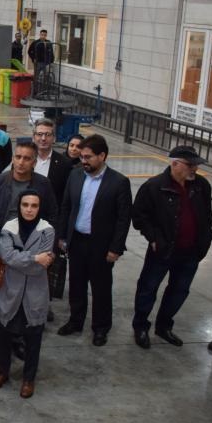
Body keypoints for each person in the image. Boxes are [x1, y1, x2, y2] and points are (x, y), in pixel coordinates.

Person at [130, 146, 212, 349]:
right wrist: (153, 238)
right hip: (162, 250)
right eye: (190, 165)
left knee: (179, 290)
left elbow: (207, 215)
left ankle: (164, 326)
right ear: (175, 163)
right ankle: (140, 326)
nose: (194, 169)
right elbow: (139, 217)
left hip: (191, 252)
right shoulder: (154, 187)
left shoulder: (201, 185)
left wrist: (206, 237)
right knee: (148, 288)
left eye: (195, 165)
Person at [0, 140, 57, 356]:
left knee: (23, 295)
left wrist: (47, 248)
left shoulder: (43, 185)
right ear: (13, 158)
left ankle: (18, 338)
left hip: (30, 249)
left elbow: (52, 215)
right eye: (18, 157)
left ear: (34, 162)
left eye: (27, 158)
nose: (21, 162)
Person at [56, 134, 132, 346]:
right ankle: (75, 321)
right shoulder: (75, 175)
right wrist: (63, 236)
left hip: (102, 245)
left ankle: (101, 328)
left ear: (102, 156)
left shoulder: (119, 182)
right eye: (81, 157)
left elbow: (123, 219)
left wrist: (116, 248)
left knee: (101, 288)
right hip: (77, 241)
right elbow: (66, 207)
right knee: (76, 284)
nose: (84, 161)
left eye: (88, 157)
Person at [0, 190, 55, 399]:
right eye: (25, 205)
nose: (29, 209)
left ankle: (29, 379)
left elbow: (38, 267)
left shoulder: (47, 230)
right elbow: (6, 256)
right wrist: (35, 258)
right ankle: (2, 372)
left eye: (34, 206)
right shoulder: (9, 228)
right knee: (5, 334)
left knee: (33, 338)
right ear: (19, 206)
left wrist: (22, 260)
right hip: (11, 292)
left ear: (39, 208)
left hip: (35, 294)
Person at [31, 118, 73, 203]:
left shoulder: (65, 164)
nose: (43, 138)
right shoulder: (24, 159)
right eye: (39, 134)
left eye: (48, 134)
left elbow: (66, 196)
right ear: (33, 137)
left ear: (54, 138)